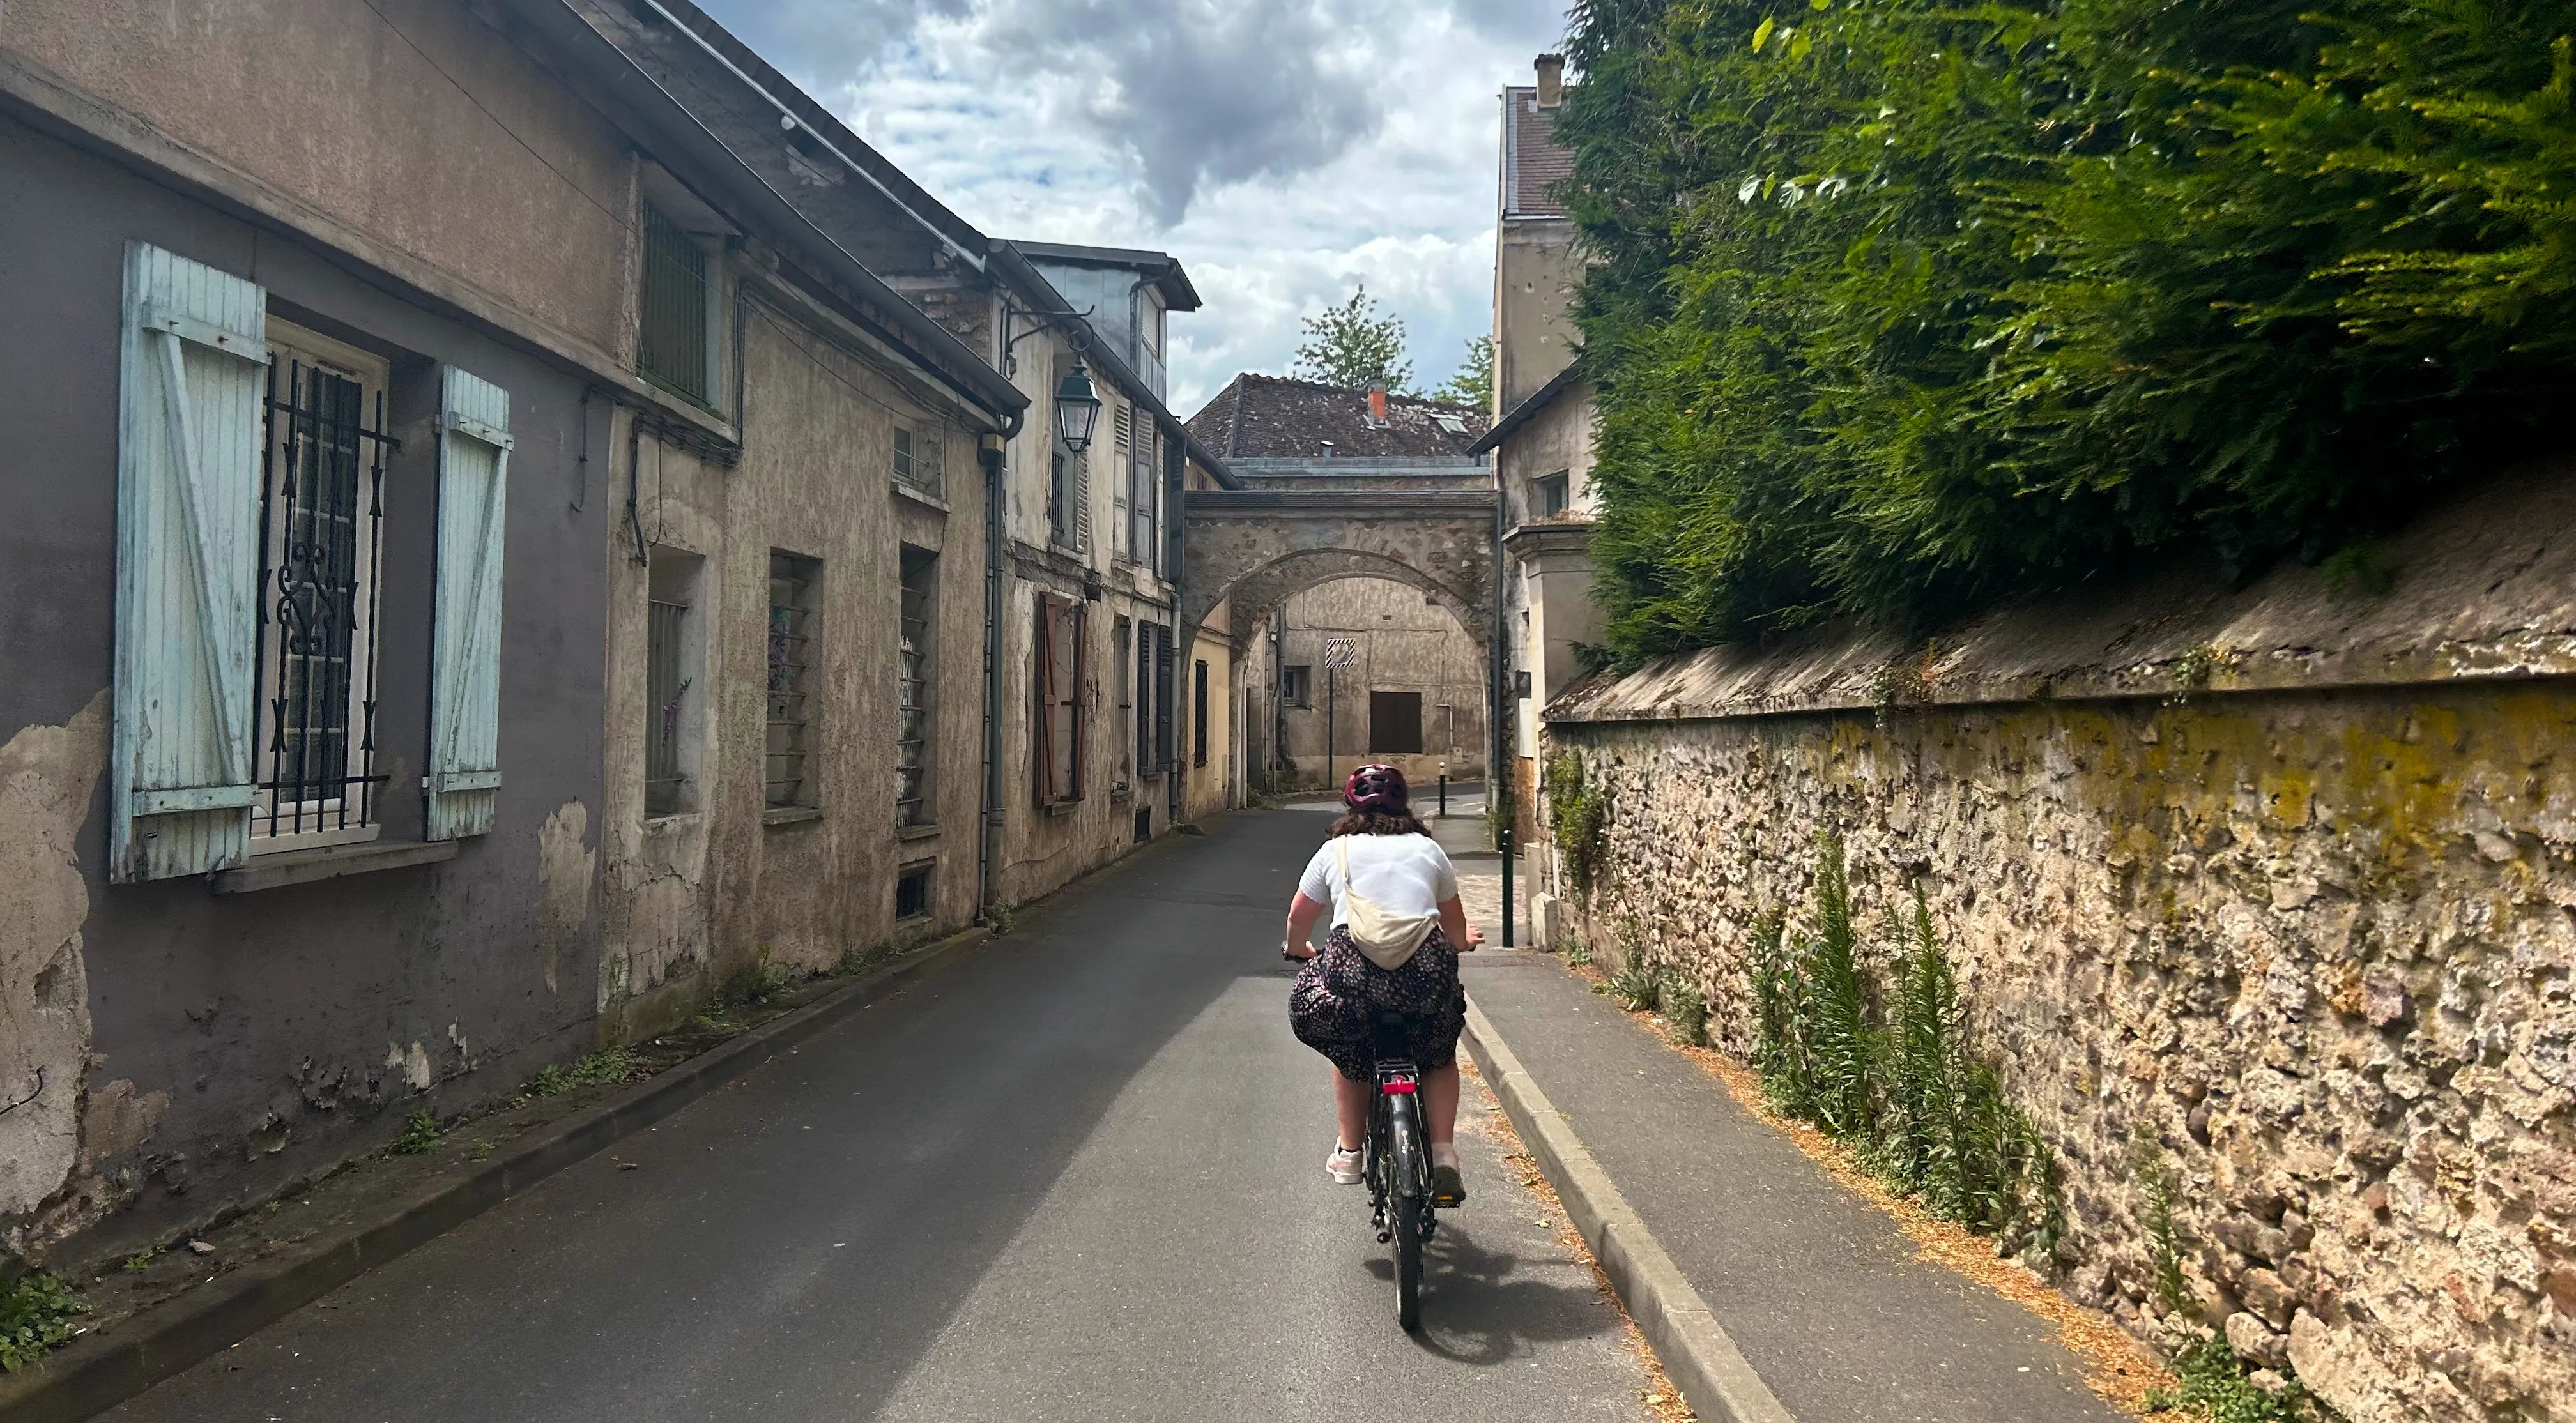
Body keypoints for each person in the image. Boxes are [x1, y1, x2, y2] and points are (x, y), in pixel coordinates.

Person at [1283, 763, 1483, 1206]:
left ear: (1350, 804)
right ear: (1404, 803)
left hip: (1356, 978)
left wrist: (1299, 949)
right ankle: (1444, 1153)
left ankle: (1351, 1153)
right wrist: (1463, 943)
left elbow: (1300, 919)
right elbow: (1454, 928)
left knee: (1349, 1047)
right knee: (1437, 1051)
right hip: (1422, 977)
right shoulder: (1429, 850)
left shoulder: (1334, 851)